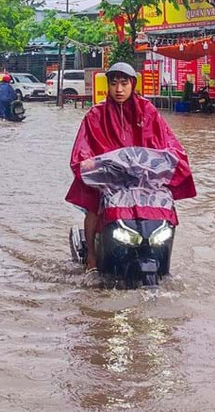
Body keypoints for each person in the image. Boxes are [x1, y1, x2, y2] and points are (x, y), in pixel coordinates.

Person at [66, 62, 196, 282]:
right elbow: (82, 150)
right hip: (108, 180)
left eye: (124, 83)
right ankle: (91, 258)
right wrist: (89, 164)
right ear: (107, 85)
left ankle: (163, 258)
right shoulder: (95, 115)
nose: (119, 89)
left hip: (143, 180)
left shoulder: (148, 112)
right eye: (114, 83)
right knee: (93, 206)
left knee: (165, 207)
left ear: (132, 85)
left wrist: (174, 157)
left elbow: (168, 142)